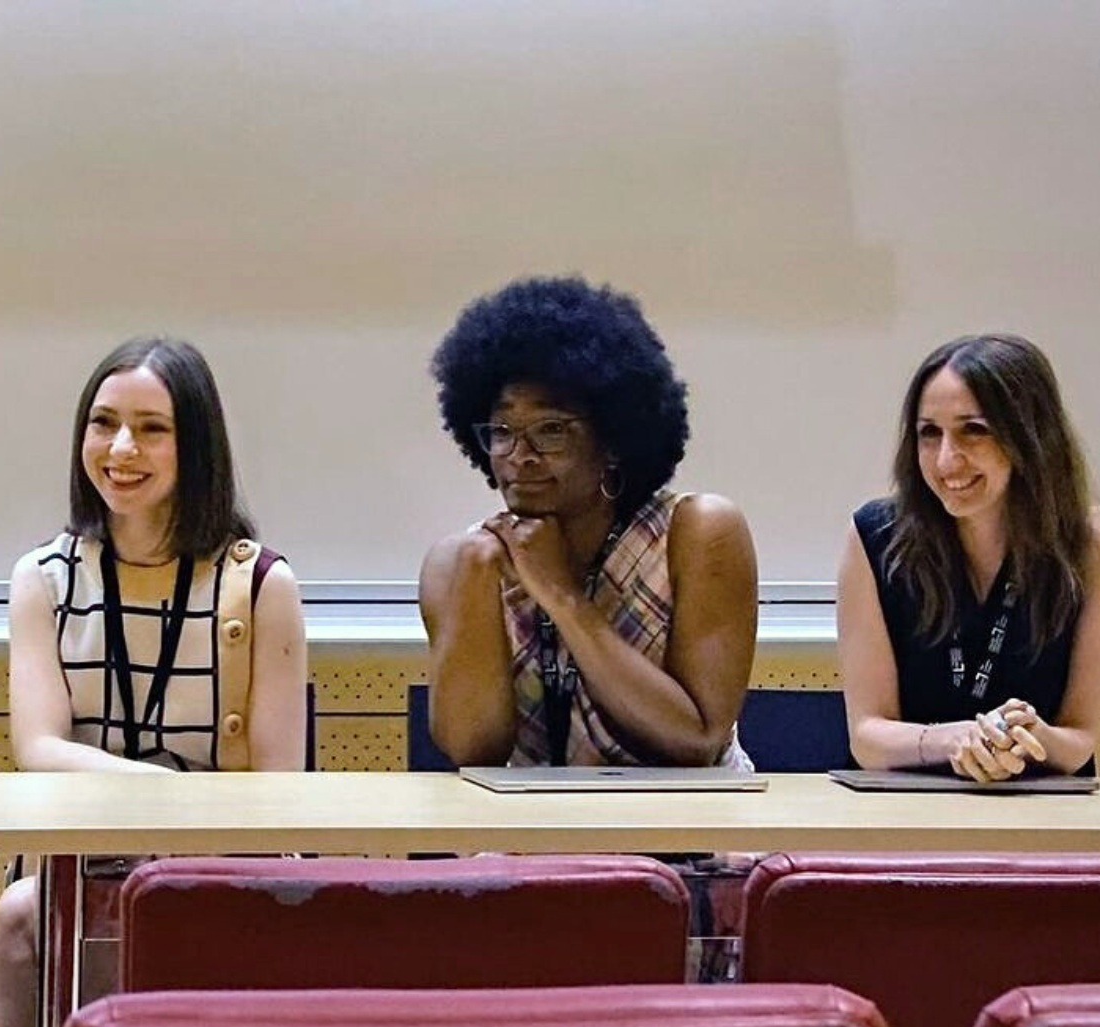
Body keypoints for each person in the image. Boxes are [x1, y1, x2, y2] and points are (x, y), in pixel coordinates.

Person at [0, 336, 308, 1027]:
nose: (121, 448)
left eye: (152, 429)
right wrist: (168, 800)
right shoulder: (42, 578)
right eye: (103, 423)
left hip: (222, 864)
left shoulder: (260, 584)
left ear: (196, 446)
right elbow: (39, 747)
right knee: (16, 917)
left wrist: (184, 827)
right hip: (84, 861)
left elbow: (280, 783)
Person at [418, 276, 758, 768]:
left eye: (551, 430)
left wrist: (562, 597)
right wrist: (474, 575)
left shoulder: (697, 532)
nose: (520, 456)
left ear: (614, 439)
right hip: (530, 836)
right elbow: (473, 750)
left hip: (685, 830)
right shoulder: (461, 560)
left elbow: (696, 738)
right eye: (502, 431)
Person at [838, 334, 1099, 782]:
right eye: (929, 433)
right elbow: (867, 736)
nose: (946, 460)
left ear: (1030, 436)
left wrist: (1028, 737)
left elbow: (1080, 740)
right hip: (905, 811)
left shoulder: (1087, 546)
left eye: (973, 431)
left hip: (1040, 812)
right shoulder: (875, 537)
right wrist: (958, 739)